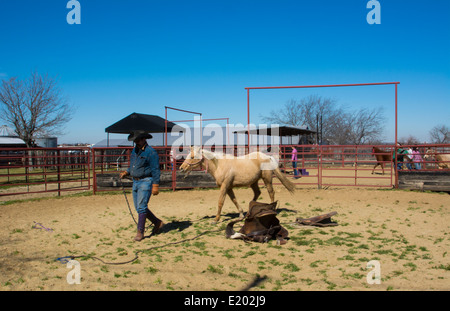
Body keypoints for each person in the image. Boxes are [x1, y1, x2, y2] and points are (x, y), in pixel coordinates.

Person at [120, 130, 164, 241]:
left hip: (146, 181)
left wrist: (156, 185)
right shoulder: (135, 151)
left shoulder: (151, 152)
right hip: (135, 181)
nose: (136, 142)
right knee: (138, 207)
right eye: (135, 140)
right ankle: (157, 222)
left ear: (143, 139)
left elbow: (155, 170)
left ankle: (140, 232)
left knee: (141, 207)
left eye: (137, 140)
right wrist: (127, 172)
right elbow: (133, 166)